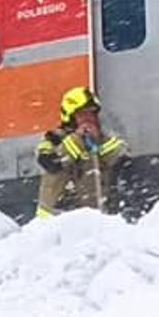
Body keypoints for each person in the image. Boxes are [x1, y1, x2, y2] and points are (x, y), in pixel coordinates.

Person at [34, 86, 125, 218]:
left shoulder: (102, 139)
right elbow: (52, 164)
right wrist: (78, 139)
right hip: (56, 221)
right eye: (83, 114)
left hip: (92, 220)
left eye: (92, 114)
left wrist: (99, 140)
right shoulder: (53, 139)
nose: (89, 119)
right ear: (69, 117)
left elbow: (121, 159)